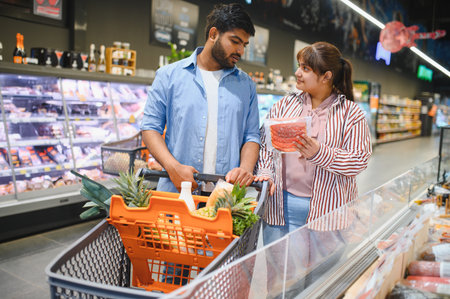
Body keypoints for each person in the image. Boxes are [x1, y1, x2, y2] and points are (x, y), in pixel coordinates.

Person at [255, 41, 372, 245]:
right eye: (299, 66)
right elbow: (266, 144)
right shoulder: (285, 105)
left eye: (306, 68)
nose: (298, 73)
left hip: (329, 211)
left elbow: (359, 160)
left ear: (327, 76)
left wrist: (319, 153)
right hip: (282, 207)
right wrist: (265, 172)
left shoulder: (351, 114)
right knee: (285, 275)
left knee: (322, 276)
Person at [141, 3, 260, 193]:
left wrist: (245, 168)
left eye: (244, 45)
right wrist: (172, 167)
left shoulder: (246, 86)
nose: (240, 51)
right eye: (235, 41)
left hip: (226, 196)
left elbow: (252, 135)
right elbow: (150, 127)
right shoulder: (169, 76)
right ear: (213, 34)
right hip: (177, 191)